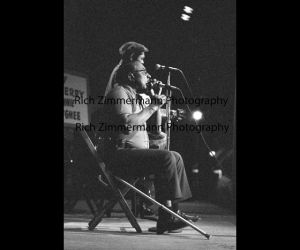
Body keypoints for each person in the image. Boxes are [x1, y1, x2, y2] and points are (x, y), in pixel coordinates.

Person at [100, 59, 198, 234]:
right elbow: (127, 124)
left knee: (175, 156)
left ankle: (172, 212)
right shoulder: (119, 92)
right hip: (119, 156)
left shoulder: (135, 96)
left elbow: (144, 124)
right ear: (131, 75)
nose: (149, 76)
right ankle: (167, 217)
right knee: (167, 157)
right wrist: (153, 106)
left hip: (132, 155)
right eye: (144, 72)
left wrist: (155, 105)